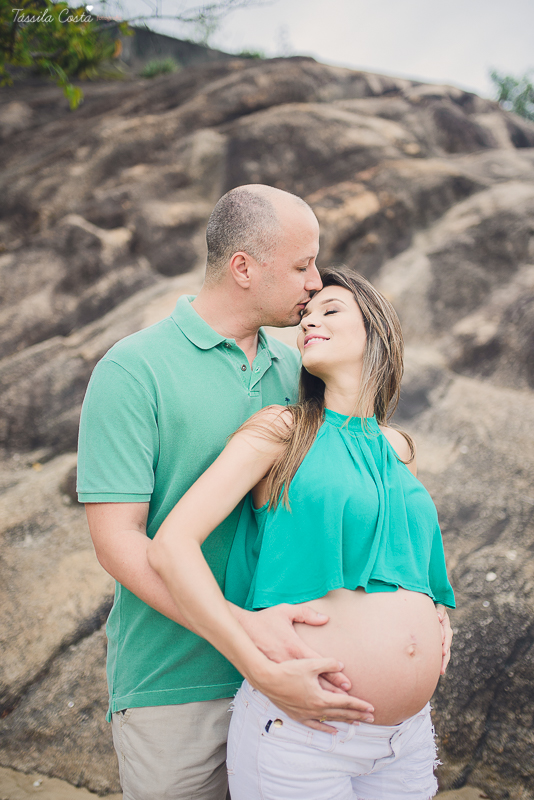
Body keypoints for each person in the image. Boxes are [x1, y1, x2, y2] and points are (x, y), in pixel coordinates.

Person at [77, 186, 382, 800]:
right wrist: (245, 637)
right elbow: (117, 542)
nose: (315, 281)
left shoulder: (302, 370)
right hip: (175, 685)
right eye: (301, 265)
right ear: (243, 267)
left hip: (294, 676)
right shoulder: (132, 370)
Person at [148, 265, 456, 800]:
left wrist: (433, 616)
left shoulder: (397, 448)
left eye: (330, 311)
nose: (309, 321)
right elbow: (171, 546)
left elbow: (404, 555)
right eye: (305, 316)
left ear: (376, 330)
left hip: (404, 739)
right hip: (303, 735)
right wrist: (251, 658)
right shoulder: (281, 431)